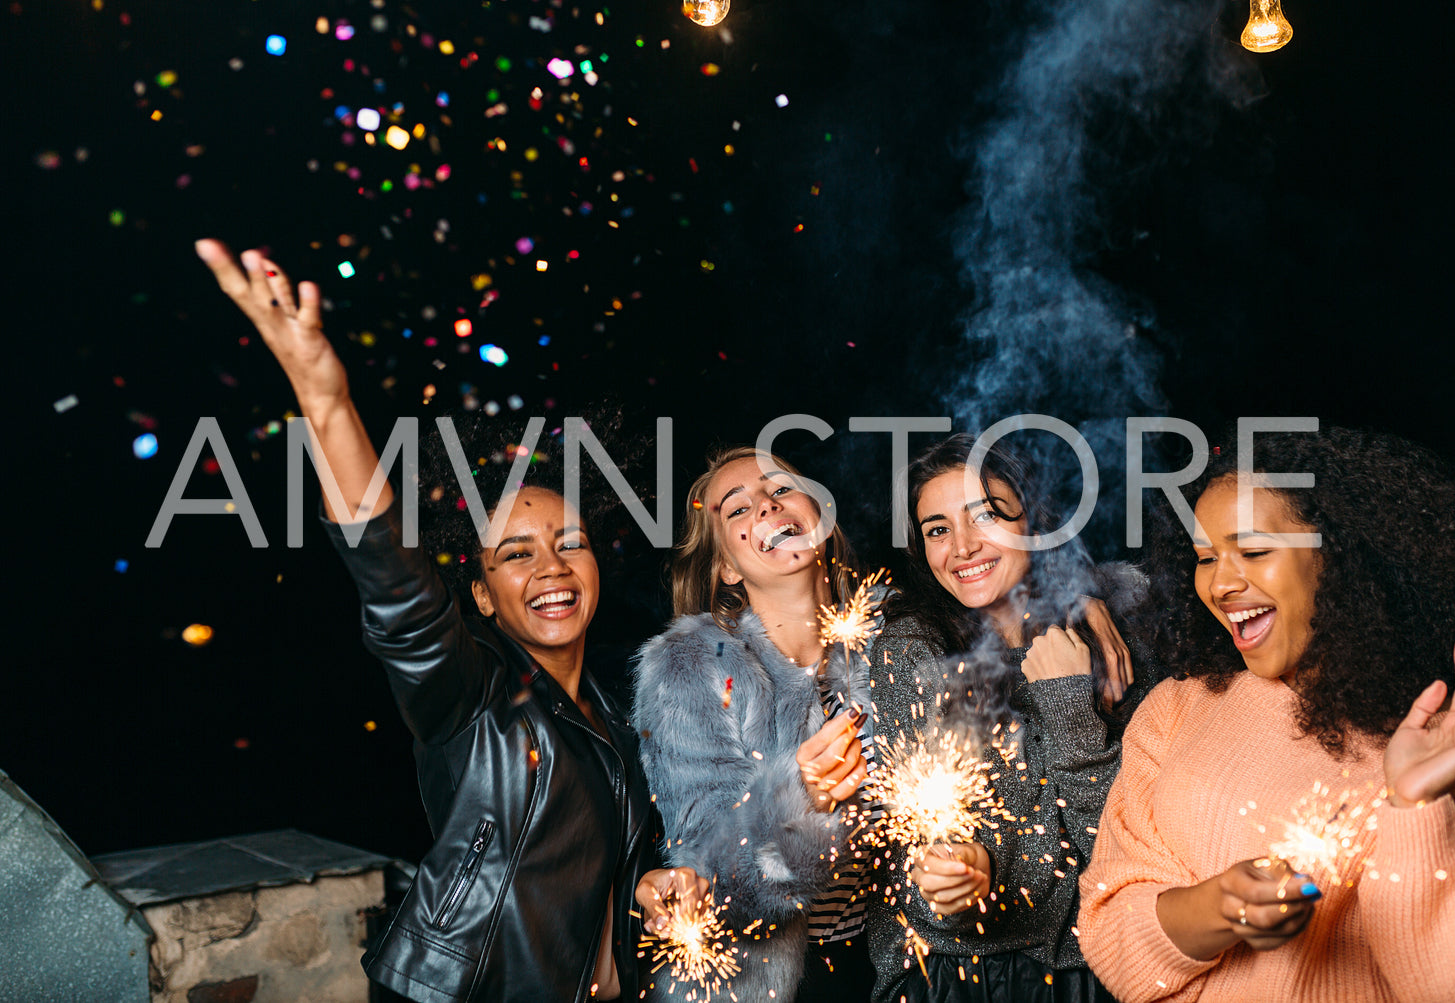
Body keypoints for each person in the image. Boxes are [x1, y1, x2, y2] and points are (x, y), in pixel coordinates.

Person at [195, 239, 702, 1003]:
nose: (553, 568)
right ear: (483, 597)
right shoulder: (471, 691)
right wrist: (322, 398)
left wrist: (646, 887)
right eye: (517, 555)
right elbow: (394, 586)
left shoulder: (615, 714)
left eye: (571, 545)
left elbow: (587, 867)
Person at [1077, 425, 1455, 1002]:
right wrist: (1218, 909)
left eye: (1253, 551)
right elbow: (1108, 935)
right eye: (1206, 558)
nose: (1222, 583)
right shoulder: (1175, 709)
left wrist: (1415, 810)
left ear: (1341, 557)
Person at [865, 432, 1145, 1002]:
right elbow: (923, 878)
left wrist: (1070, 705)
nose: (963, 546)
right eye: (938, 529)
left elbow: (1124, 854)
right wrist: (963, 876)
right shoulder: (910, 652)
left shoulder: (1112, 633)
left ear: (1034, 522)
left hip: (1098, 967)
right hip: (952, 975)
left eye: (986, 515)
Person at [631, 446, 881, 1002]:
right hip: (767, 985)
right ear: (725, 566)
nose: (766, 506)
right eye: (737, 509)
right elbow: (715, 878)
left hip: (896, 969)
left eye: (780, 489)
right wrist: (801, 800)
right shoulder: (690, 668)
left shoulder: (894, 639)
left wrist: (1085, 601)